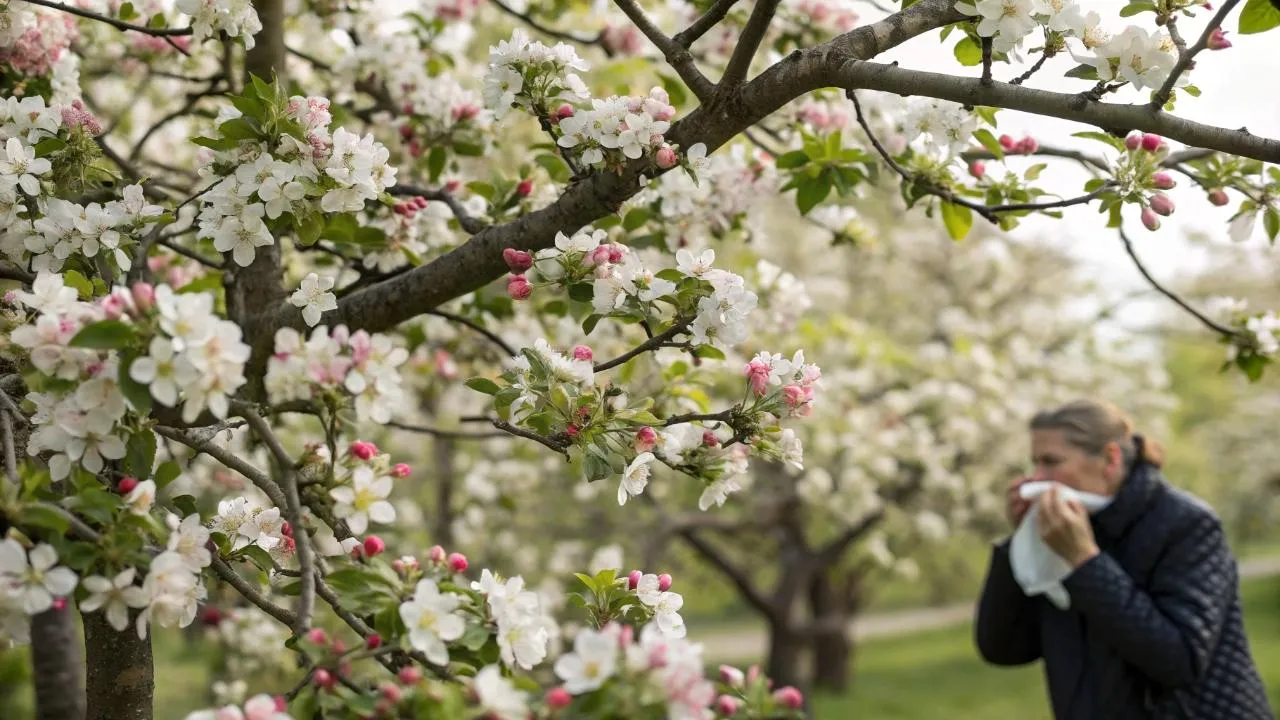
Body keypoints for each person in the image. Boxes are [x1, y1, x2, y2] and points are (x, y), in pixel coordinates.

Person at [974, 399, 1274, 719]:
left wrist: (1085, 562)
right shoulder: (1061, 533)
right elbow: (1003, 649)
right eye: (1034, 464)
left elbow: (1180, 660)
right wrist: (1021, 542)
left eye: (1051, 462)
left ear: (1110, 458)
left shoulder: (1186, 524)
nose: (1037, 479)